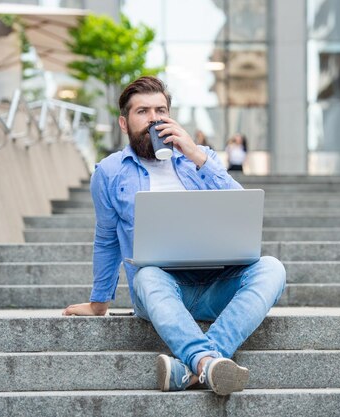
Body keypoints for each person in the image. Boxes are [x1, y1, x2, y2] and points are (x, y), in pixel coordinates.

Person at [62, 76, 286, 396]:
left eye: (161, 110)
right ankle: (209, 362)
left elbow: (241, 207)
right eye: (143, 111)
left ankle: (198, 366)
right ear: (124, 123)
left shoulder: (200, 157)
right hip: (159, 291)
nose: (154, 118)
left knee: (272, 267)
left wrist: (197, 155)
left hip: (214, 286)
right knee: (147, 275)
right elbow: (107, 239)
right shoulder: (109, 172)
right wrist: (99, 303)